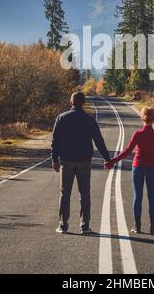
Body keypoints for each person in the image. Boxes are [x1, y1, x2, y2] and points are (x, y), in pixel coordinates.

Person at [51, 91, 110, 235]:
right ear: (83, 103)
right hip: (84, 161)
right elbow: (99, 141)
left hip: (66, 161)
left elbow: (55, 141)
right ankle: (85, 226)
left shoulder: (61, 118)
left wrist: (54, 159)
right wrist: (107, 158)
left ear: (71, 102)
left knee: (65, 193)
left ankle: (63, 225)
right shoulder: (89, 120)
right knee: (85, 194)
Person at [106, 107, 154, 234]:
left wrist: (112, 161)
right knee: (152, 197)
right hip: (152, 168)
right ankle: (153, 227)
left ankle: (137, 226)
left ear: (142, 117)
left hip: (138, 167)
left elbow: (127, 152)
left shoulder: (138, 134)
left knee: (138, 197)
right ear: (153, 119)